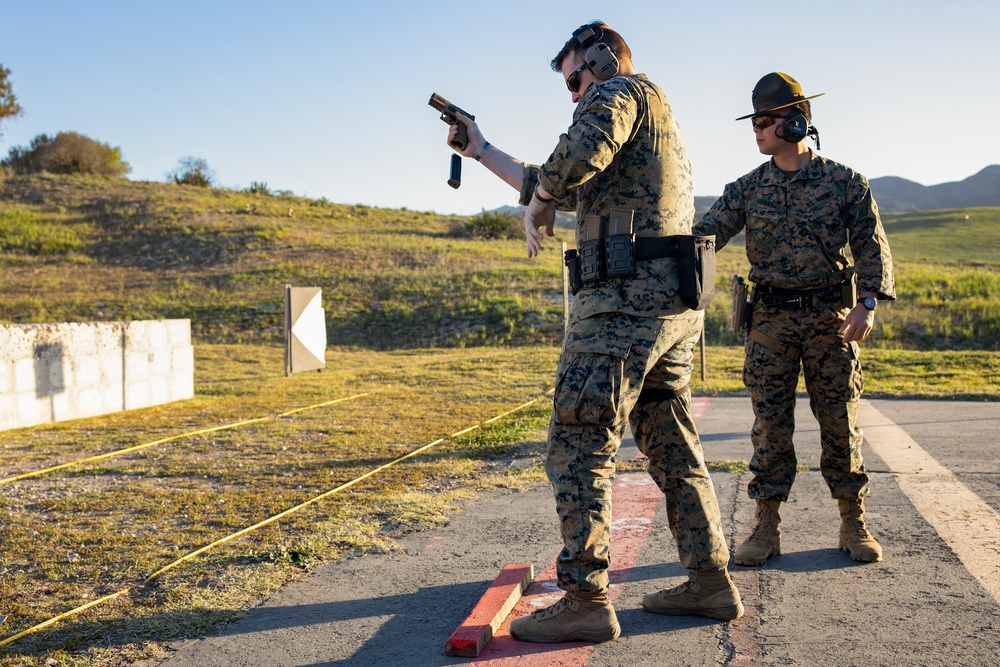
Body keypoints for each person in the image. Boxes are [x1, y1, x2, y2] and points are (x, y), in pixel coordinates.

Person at [444, 21, 742, 644]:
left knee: (578, 441)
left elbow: (570, 162)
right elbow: (548, 180)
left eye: (576, 80)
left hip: (622, 308)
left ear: (603, 61)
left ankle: (584, 597)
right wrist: (482, 149)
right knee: (670, 444)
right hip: (667, 309)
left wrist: (547, 194)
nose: (576, 96)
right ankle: (710, 580)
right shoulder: (649, 118)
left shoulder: (621, 94)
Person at [694, 72, 896, 566]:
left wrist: (867, 303)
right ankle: (765, 527)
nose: (756, 129)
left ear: (796, 122)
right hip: (770, 323)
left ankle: (853, 522)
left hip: (832, 319)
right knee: (769, 428)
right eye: (754, 120)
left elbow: (872, 245)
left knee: (840, 424)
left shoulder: (845, 182)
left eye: (764, 120)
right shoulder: (746, 188)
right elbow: (703, 239)